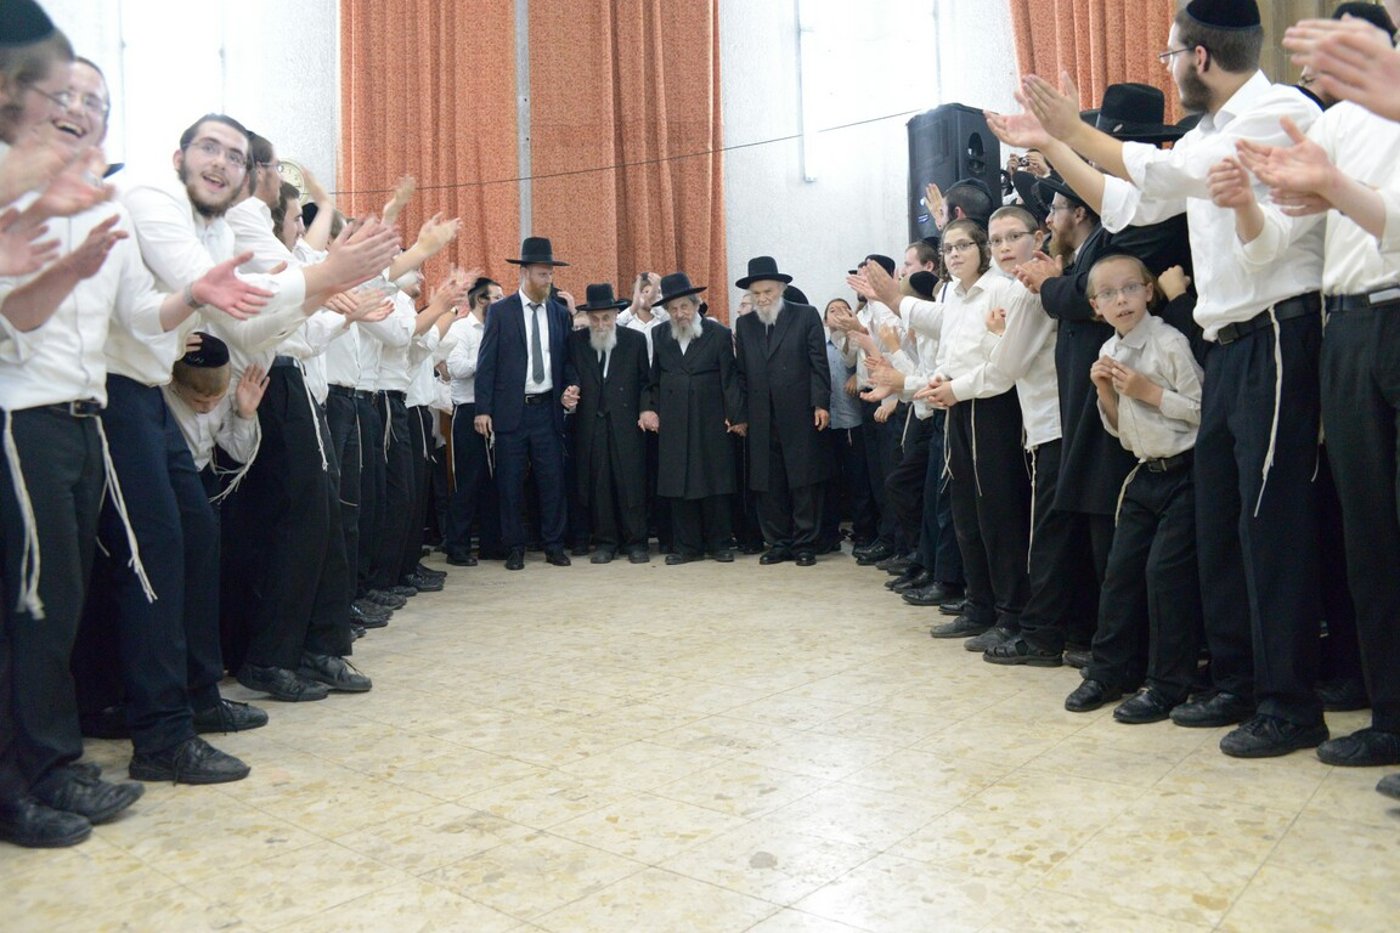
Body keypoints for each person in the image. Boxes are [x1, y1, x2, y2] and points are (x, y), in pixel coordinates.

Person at [1013, 0, 1331, 758]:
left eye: (1169, 55)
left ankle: (1290, 704)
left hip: (1276, 334)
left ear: (1199, 57)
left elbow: (1161, 171)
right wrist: (1055, 144)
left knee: (1269, 528)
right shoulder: (1206, 132)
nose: (1168, 68)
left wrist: (1072, 130)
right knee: (1220, 527)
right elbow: (1128, 202)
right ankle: (1237, 682)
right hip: (1226, 345)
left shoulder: (1279, 112)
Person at [1219, 6, 1400, 769]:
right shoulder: (1331, 126)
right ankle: (1390, 719)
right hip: (1347, 325)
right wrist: (1246, 203)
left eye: (1349, 43)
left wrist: (1333, 186)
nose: (1327, 62)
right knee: (1369, 536)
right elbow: (1273, 249)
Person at [0, 1, 144, 849]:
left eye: (95, 101)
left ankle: (53, 762)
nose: (79, 109)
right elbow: (14, 322)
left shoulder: (96, 206)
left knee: (60, 606)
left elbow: (136, 321)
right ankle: (24, 780)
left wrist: (198, 301)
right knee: (32, 609)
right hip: (24, 418)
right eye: (66, 94)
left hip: (84, 419)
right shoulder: (17, 186)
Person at [1065, 255, 1204, 722]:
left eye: (1129, 288)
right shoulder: (1110, 350)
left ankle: (1168, 684)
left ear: (1149, 291)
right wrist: (1106, 392)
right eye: (1107, 293)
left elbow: (1205, 410)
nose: (1120, 299)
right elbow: (1121, 432)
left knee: (1166, 577)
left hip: (1184, 472)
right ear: (1095, 306)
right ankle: (1109, 671)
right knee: (1119, 573)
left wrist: (1149, 393)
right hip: (1143, 472)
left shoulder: (1170, 342)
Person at [473, 236, 578, 570]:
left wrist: (571, 387)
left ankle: (554, 544)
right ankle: (514, 547)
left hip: (548, 410)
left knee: (552, 481)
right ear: (525, 273)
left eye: (550, 274)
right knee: (510, 483)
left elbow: (567, 361)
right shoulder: (500, 312)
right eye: (542, 274)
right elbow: (486, 364)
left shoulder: (558, 313)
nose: (548, 280)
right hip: (511, 412)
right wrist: (483, 409)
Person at [732, 256, 831, 566]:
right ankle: (778, 543)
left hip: (800, 412)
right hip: (761, 416)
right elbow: (742, 374)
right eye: (756, 293)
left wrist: (821, 403)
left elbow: (818, 364)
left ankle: (805, 544)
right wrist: (740, 414)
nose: (762, 298)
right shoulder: (745, 324)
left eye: (768, 292)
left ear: (781, 289)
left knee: (803, 481)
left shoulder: (805, 315)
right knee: (768, 483)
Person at [648, 272, 745, 563]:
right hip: (674, 420)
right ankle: (686, 547)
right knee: (679, 484)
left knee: (715, 481)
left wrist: (735, 415)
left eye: (684, 307)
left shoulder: (718, 333)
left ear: (696, 304)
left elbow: (730, 378)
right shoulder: (659, 334)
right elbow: (654, 379)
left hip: (711, 418)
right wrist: (650, 408)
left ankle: (719, 544)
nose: (679, 314)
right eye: (673, 309)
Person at [566, 283, 653, 563]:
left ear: (616, 315)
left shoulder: (634, 341)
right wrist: (569, 391)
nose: (601, 324)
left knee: (631, 483)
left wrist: (645, 409)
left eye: (606, 318)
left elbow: (646, 382)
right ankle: (606, 542)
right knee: (599, 484)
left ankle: (636, 542)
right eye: (595, 319)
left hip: (626, 423)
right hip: (591, 424)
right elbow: (570, 374)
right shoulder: (576, 342)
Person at [443, 276, 503, 565]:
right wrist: (490, 362)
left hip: (497, 411)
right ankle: (458, 547)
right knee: (467, 481)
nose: (502, 303)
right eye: (497, 298)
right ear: (481, 300)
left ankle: (492, 545)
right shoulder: (461, 328)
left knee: (495, 481)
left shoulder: (500, 327)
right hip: (468, 410)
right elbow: (456, 368)